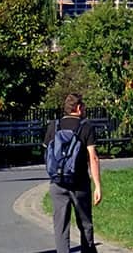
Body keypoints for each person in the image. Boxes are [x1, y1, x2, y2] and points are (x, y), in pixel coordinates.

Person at [46, 93, 103, 253]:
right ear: (78, 108)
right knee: (85, 223)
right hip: (80, 183)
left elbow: (47, 152)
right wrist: (97, 185)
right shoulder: (86, 127)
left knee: (60, 227)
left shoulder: (54, 126)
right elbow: (93, 157)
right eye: (83, 106)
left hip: (57, 183)